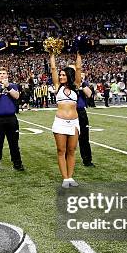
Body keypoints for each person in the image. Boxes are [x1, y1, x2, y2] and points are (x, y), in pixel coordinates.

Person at [50, 51, 82, 188]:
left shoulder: (76, 86)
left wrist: (79, 52)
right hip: (60, 123)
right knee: (61, 151)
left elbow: (79, 68)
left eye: (63, 74)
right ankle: (65, 178)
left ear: (69, 75)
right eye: (60, 75)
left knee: (71, 151)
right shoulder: (58, 87)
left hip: (74, 123)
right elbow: (53, 68)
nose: (61, 76)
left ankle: (70, 177)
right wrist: (52, 53)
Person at [0, 67, 24, 171]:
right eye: (0, 73)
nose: (1, 75)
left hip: (11, 119)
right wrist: (2, 88)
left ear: (7, 75)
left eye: (3, 73)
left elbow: (17, 96)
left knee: (14, 143)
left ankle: (17, 164)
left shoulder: (13, 85)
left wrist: (8, 86)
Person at [77, 74, 95, 167]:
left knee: (84, 137)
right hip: (68, 111)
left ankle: (87, 160)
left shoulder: (83, 83)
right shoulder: (66, 84)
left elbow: (89, 94)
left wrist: (81, 84)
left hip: (80, 111)